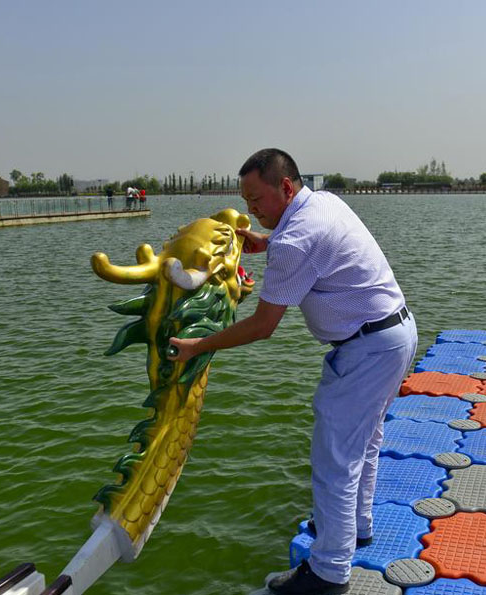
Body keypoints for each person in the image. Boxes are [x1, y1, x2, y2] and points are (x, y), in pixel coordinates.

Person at [168, 148, 417, 594]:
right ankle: (355, 528)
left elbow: (263, 326)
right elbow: (314, 250)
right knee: (366, 441)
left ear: (284, 187)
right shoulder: (322, 201)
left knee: (334, 461)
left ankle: (328, 574)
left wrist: (198, 345)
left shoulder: (294, 240)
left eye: (256, 199)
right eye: (245, 201)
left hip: (368, 349)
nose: (250, 211)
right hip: (395, 332)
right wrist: (268, 242)